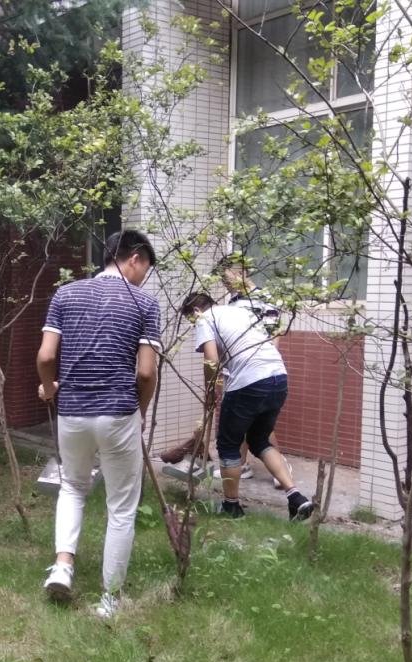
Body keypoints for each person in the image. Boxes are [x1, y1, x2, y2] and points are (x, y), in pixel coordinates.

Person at [36, 229, 161, 619]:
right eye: (145, 269)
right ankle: (109, 600)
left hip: (72, 412)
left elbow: (45, 357)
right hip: (118, 413)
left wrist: (49, 389)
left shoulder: (65, 295)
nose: (144, 278)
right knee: (121, 507)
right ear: (134, 258)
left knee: (73, 488)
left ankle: (63, 567)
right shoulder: (144, 303)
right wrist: (139, 413)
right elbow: (146, 373)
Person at [180, 291, 314, 521]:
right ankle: (296, 497)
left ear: (196, 311)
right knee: (259, 440)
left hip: (249, 382)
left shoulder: (204, 318)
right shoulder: (239, 312)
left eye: (191, 321)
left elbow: (211, 360)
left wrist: (210, 392)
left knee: (228, 445)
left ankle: (231, 507)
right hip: (278, 378)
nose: (194, 325)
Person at [210, 255, 291, 487]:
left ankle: (281, 467)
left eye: (227, 279)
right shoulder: (232, 304)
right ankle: (242, 464)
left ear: (242, 272)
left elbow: (274, 333)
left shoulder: (265, 298)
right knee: (243, 420)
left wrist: (262, 361)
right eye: (223, 281)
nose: (226, 284)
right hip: (236, 369)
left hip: (259, 369)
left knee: (257, 422)